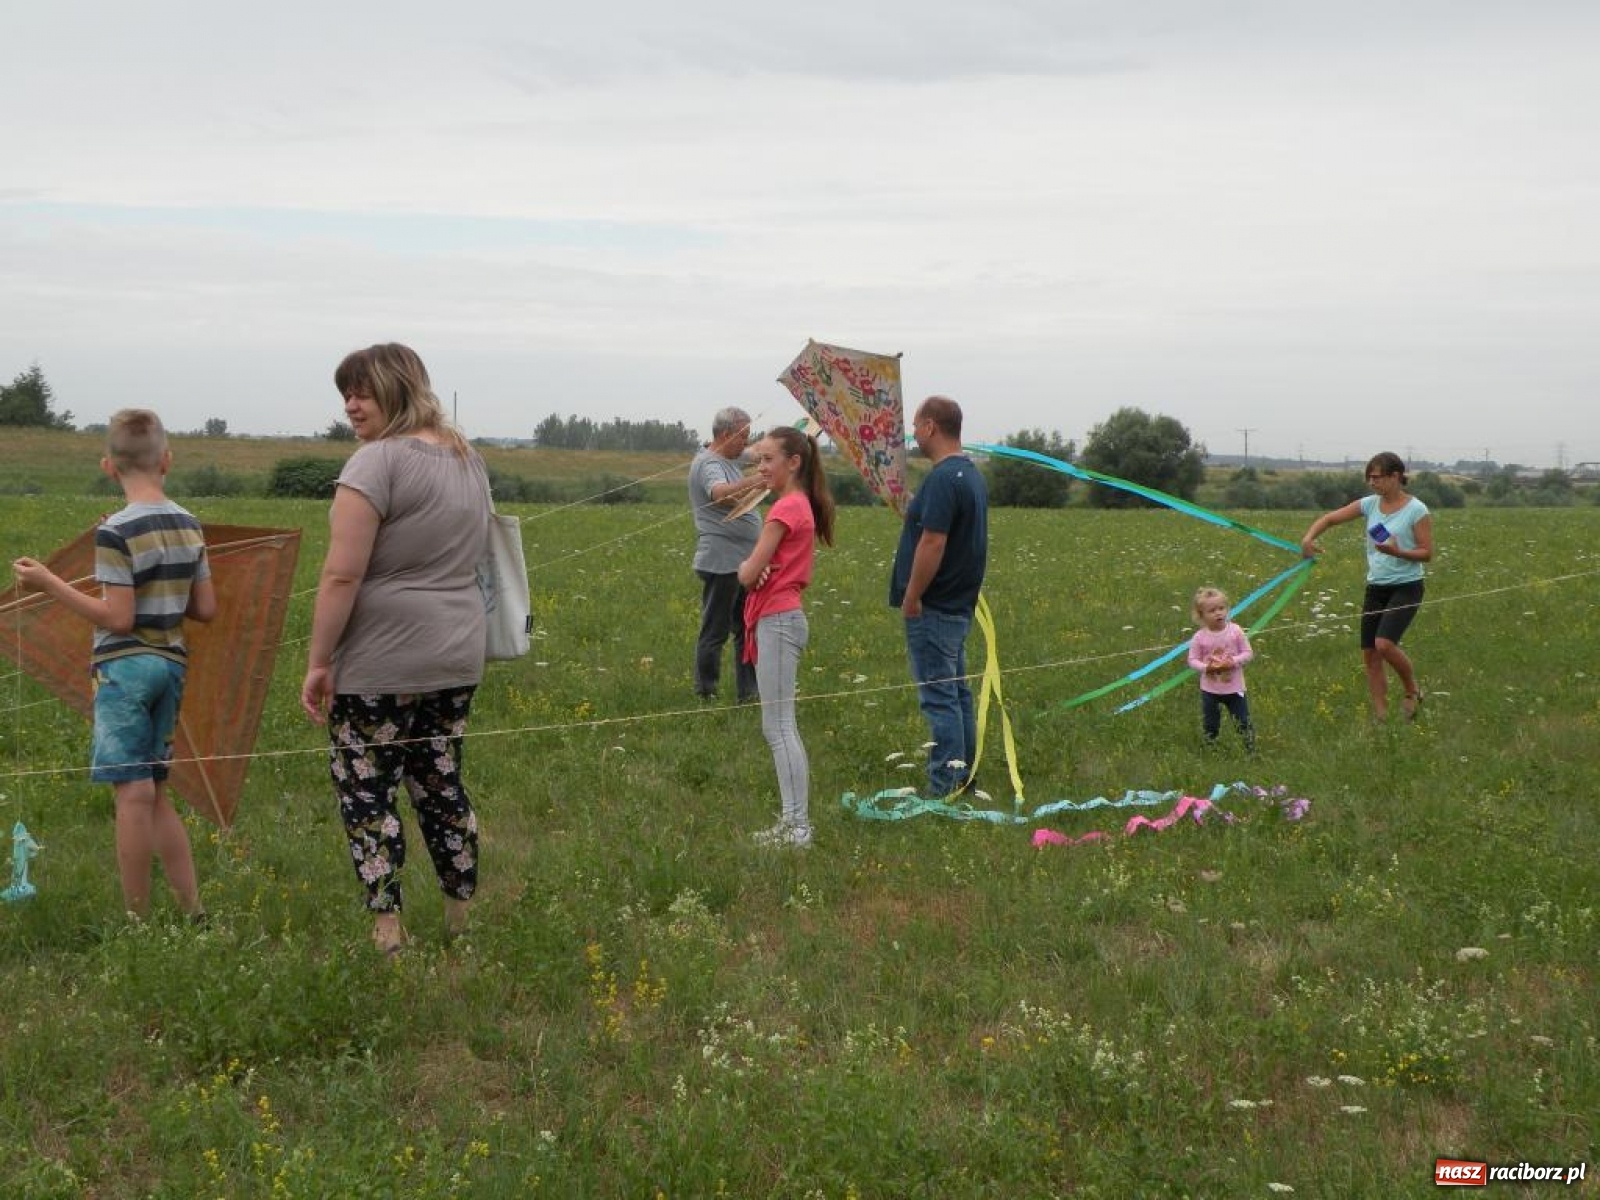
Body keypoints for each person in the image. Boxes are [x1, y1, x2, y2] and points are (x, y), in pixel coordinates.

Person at [300, 343, 491, 955]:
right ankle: (463, 915)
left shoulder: (373, 463)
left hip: (380, 659)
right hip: (458, 649)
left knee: (368, 789)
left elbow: (340, 577)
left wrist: (319, 661)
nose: (351, 405)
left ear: (396, 387)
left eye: (362, 391)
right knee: (440, 781)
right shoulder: (468, 458)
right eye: (345, 394)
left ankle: (388, 928)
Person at [12, 409, 217, 920]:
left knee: (132, 792)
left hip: (125, 668)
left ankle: (136, 919)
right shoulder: (190, 524)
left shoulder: (115, 532)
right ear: (167, 460)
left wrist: (50, 584)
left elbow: (118, 617)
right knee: (157, 788)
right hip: (171, 666)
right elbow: (205, 609)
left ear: (108, 466)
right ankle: (192, 910)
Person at [737, 426, 835, 848]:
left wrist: (751, 568)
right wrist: (757, 569)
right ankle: (791, 822)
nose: (761, 468)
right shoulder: (799, 505)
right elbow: (758, 570)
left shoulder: (784, 510)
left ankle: (798, 827)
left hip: (778, 620)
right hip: (780, 616)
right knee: (778, 726)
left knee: (779, 727)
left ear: (793, 463)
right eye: (758, 460)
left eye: (768, 460)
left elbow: (745, 574)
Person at [889, 396, 989, 798]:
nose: (914, 433)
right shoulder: (968, 475)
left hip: (935, 606)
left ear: (931, 426)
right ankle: (964, 776)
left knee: (940, 698)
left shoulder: (944, 478)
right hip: (957, 605)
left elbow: (933, 541)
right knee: (958, 692)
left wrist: (913, 595)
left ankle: (944, 785)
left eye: (916, 425)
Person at [1300, 451, 1433, 721]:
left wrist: (1398, 553)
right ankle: (1382, 717)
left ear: (1396, 476)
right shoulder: (1369, 505)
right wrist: (1309, 538)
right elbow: (1330, 519)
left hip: (1407, 585)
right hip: (1376, 586)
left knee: (1384, 644)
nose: (1372, 483)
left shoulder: (1417, 510)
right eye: (1369, 478)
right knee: (1370, 655)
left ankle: (1412, 689)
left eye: (1377, 477)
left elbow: (1427, 553)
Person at [689, 407, 764, 703]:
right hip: (722, 561)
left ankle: (748, 693)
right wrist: (759, 480)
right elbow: (721, 494)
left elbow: (758, 452)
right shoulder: (709, 464)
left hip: (744, 560)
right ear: (723, 435)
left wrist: (790, 442)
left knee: (746, 629)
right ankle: (706, 692)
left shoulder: (732, 455)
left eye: (747, 436)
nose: (745, 443)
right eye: (741, 436)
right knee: (716, 630)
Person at [1186, 587, 1256, 751]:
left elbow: (1248, 653)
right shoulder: (1200, 637)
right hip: (1210, 690)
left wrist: (1233, 662)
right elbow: (1192, 660)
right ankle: (1210, 747)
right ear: (1201, 615)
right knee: (1211, 723)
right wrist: (1207, 667)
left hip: (1235, 689)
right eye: (1212, 610)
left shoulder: (1236, 631)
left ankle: (1250, 749)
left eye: (1221, 608)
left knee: (1243, 721)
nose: (1218, 613)